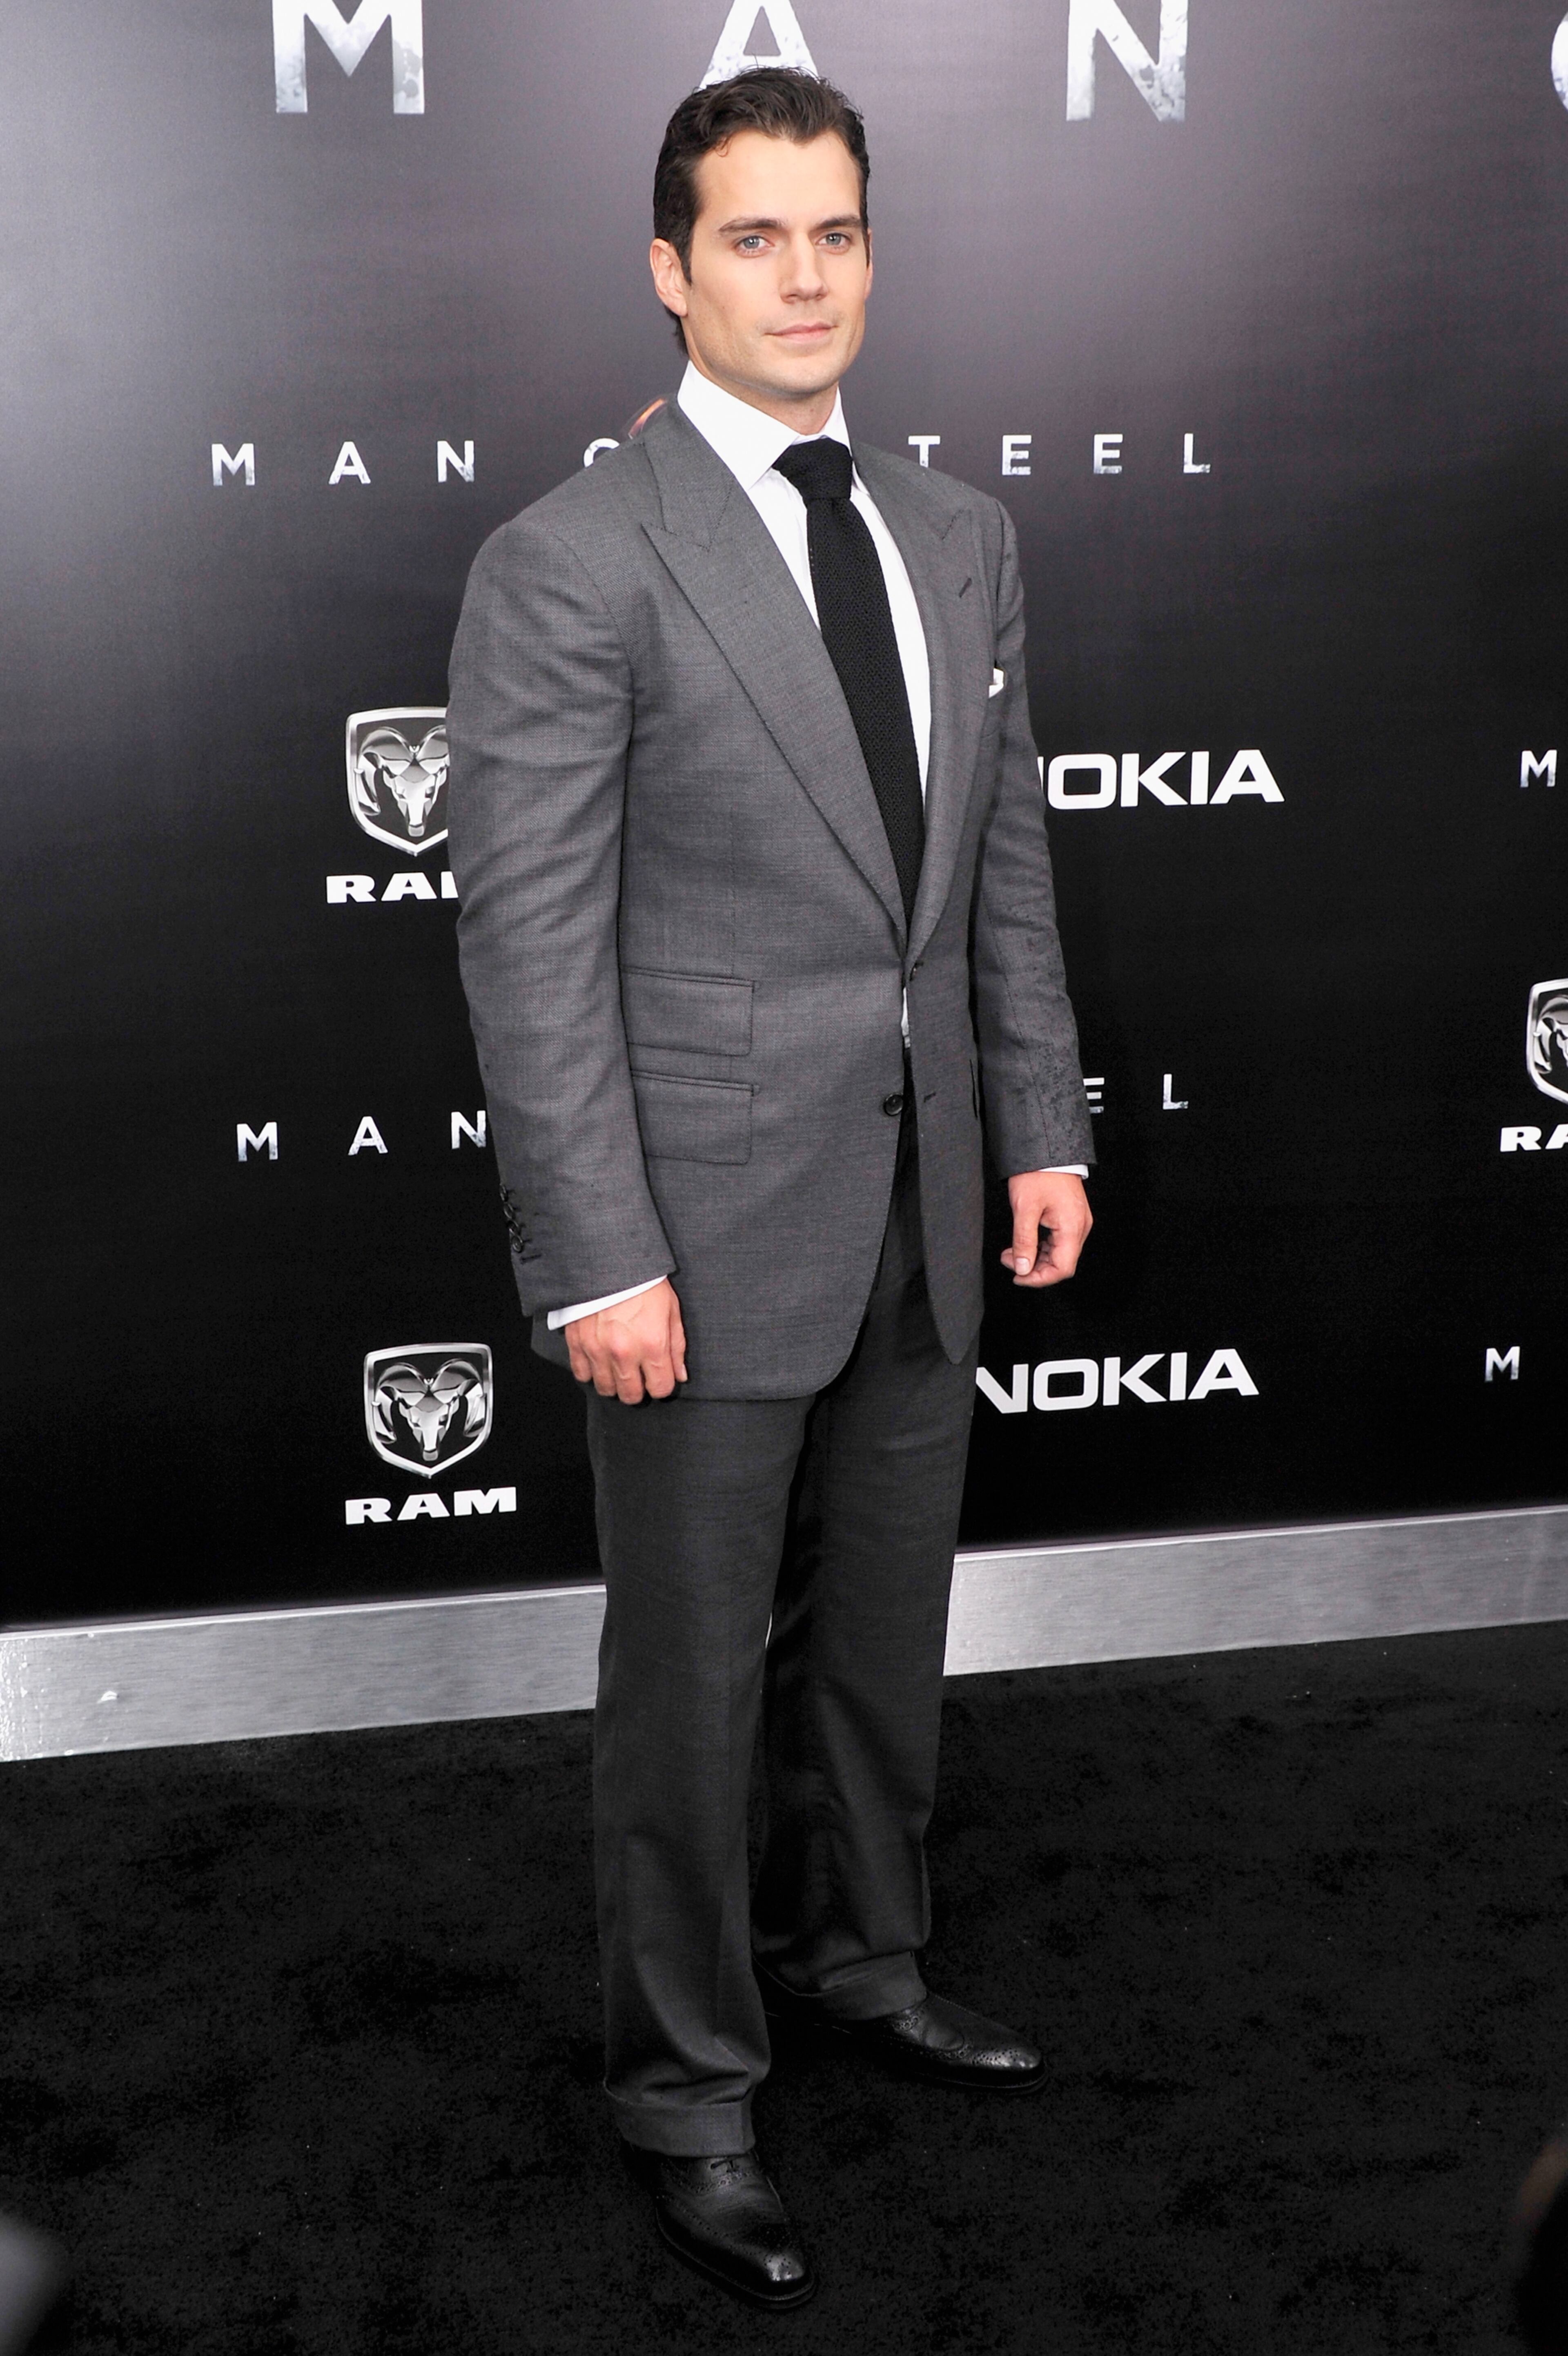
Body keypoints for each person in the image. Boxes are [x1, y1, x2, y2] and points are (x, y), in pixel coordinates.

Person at [446, 66, 1094, 2311]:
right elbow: (527, 946)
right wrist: (595, 1252)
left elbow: (997, 861)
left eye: (836, 234)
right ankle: (687, 2091)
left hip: (926, 1205)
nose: (803, 277)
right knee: (694, 1687)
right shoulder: (568, 559)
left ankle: (868, 1961)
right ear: (669, 266)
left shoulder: (961, 532)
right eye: (754, 239)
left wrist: (1046, 1126)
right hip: (694, 1234)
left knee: (880, 1641)